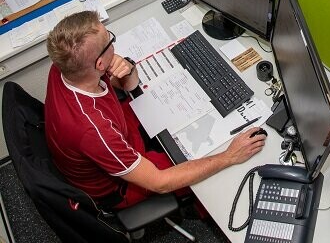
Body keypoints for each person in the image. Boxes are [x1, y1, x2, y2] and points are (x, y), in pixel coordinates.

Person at [45, 11, 266, 210]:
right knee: (207, 161)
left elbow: (129, 85)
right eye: (109, 41)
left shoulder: (66, 66)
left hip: (119, 128)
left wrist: (128, 67)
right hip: (117, 186)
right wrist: (229, 156)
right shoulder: (93, 131)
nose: (113, 42)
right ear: (100, 64)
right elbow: (159, 182)